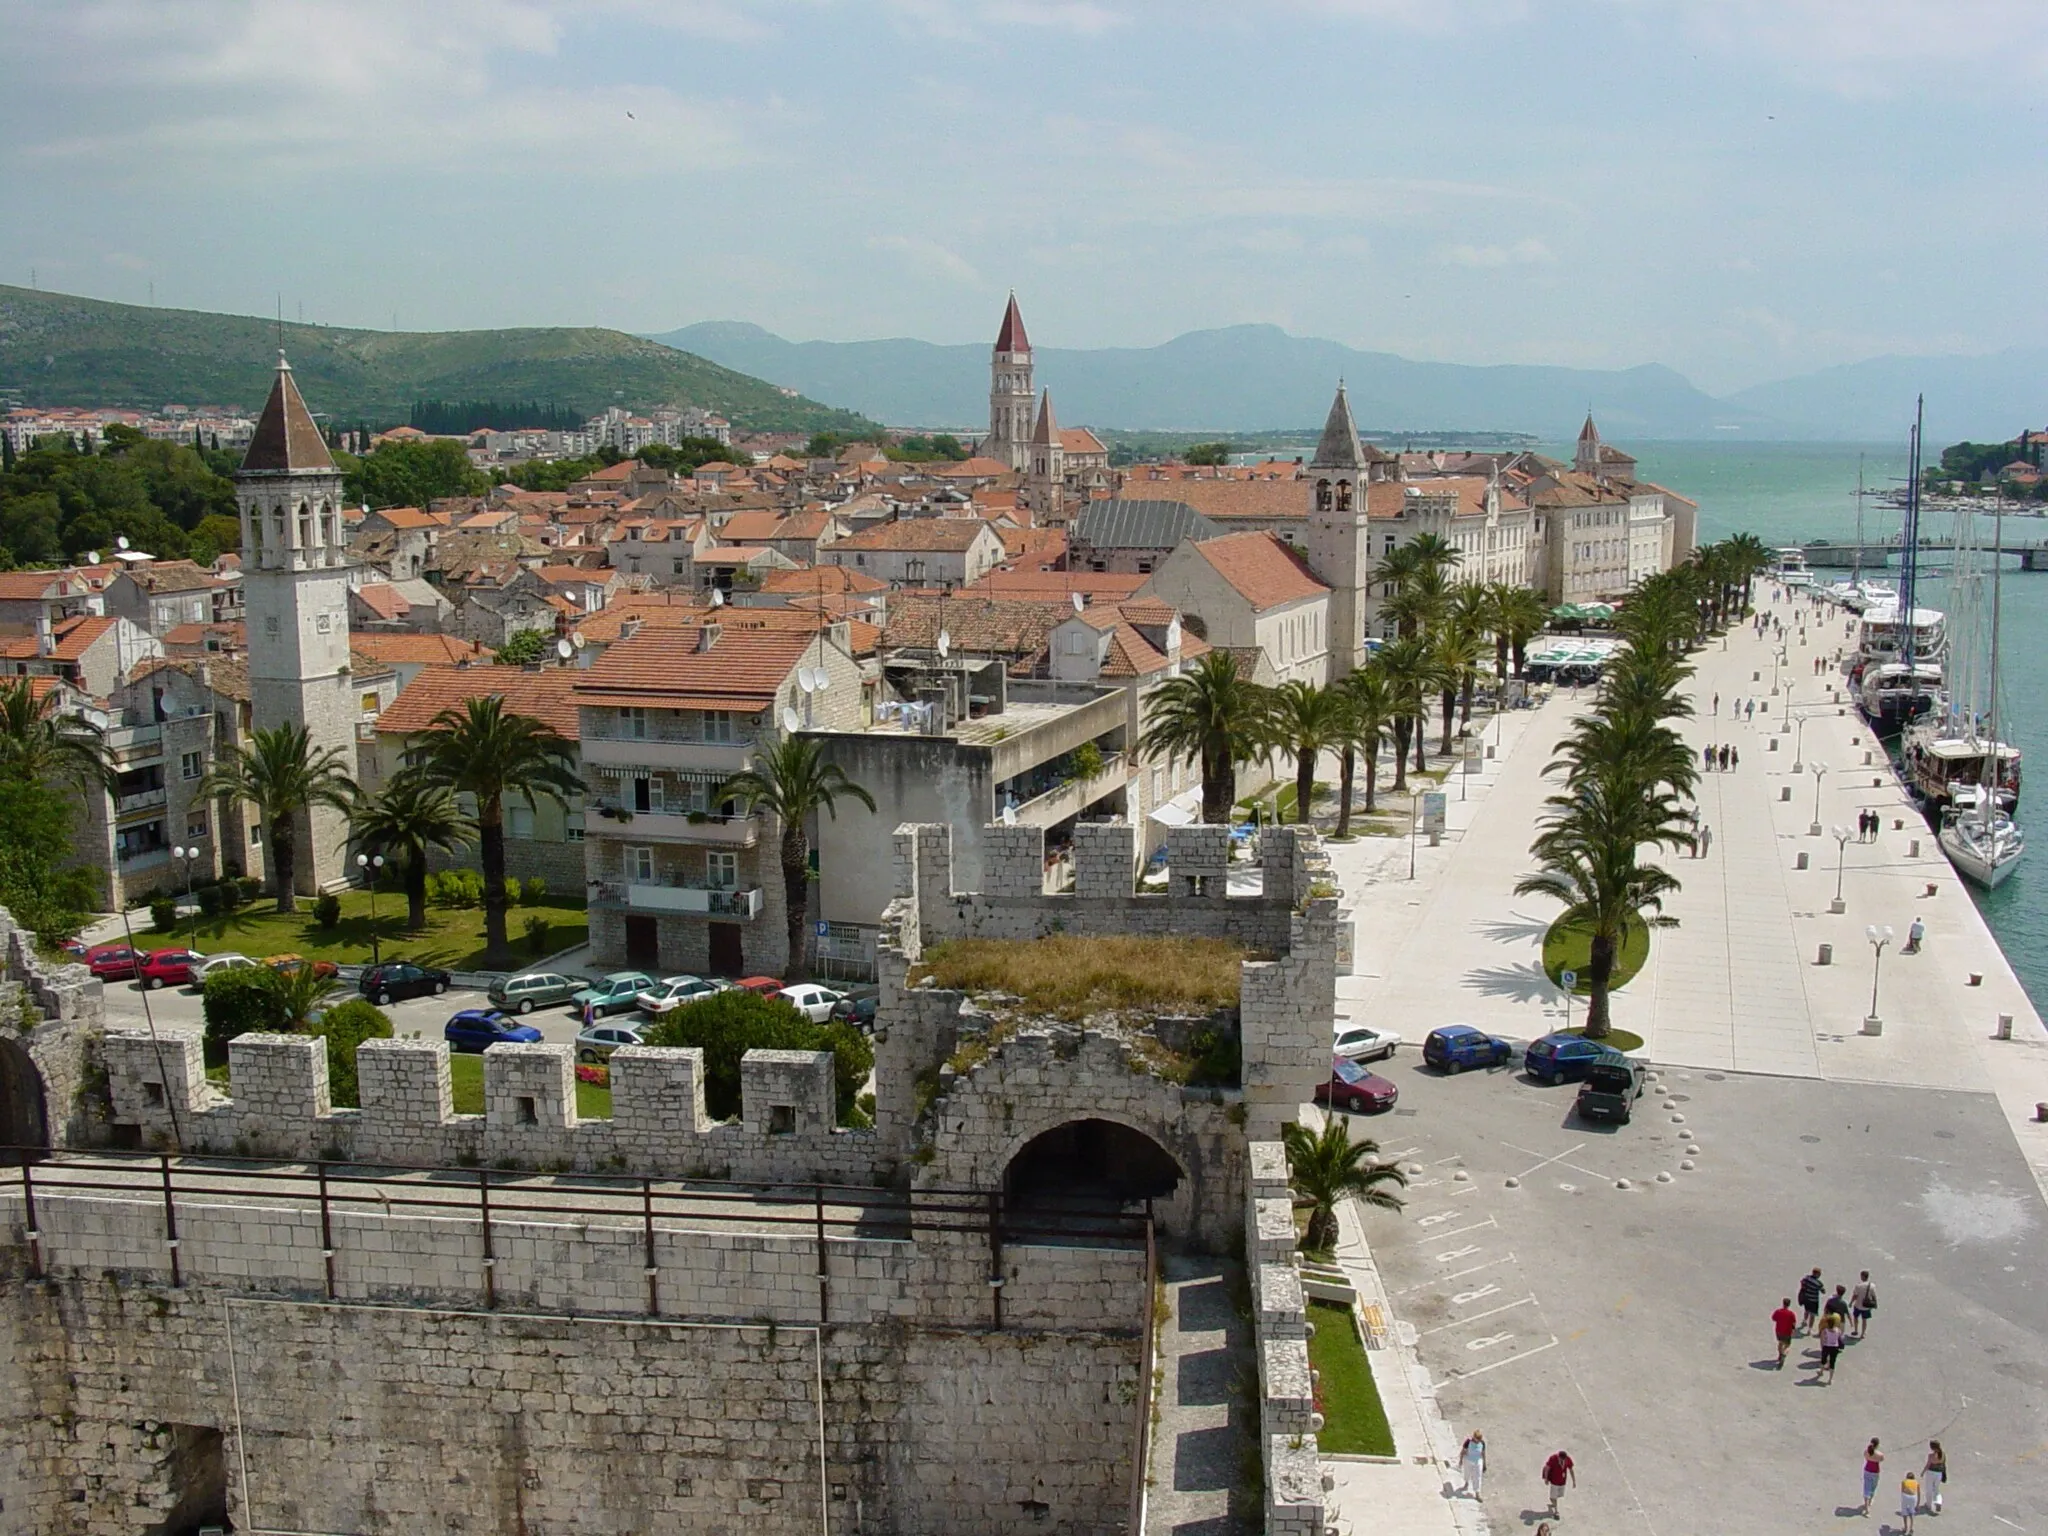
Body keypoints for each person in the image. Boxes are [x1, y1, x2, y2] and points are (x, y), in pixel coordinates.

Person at [1541, 1449, 1575, 1517]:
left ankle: (1553, 1504)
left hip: (1562, 1481)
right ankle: (1556, 1511)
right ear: (1558, 1457)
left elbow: (1571, 1469)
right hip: (1554, 1482)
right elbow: (1547, 1468)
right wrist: (1546, 1478)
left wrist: (1574, 1481)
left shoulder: (1567, 1459)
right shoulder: (1553, 1458)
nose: (1562, 1461)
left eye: (1563, 1459)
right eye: (1561, 1459)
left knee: (1559, 1495)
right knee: (1554, 1497)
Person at [1458, 1431, 1486, 1498]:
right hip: (1468, 1460)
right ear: (1474, 1437)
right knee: (1467, 1473)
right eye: (1477, 1439)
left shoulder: (1482, 1443)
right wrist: (1461, 1460)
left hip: (1478, 1461)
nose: (1478, 1441)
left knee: (1478, 1477)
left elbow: (1483, 1453)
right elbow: (1463, 1451)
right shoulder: (1468, 1442)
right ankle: (1466, 1483)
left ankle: (1477, 1493)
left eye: (1479, 1439)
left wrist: (1484, 1464)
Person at [1860, 1440, 1884, 1515]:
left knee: (1866, 1488)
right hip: (1875, 1472)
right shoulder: (1879, 1454)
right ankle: (1869, 1503)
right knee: (1873, 1487)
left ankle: (1866, 1505)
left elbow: (1866, 1456)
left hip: (1867, 1470)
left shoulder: (1866, 1452)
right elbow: (1881, 1459)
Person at [1849, 1271, 1877, 1339]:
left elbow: (1855, 1296)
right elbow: (1874, 1296)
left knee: (1856, 1317)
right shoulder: (1872, 1286)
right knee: (1864, 1320)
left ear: (1863, 1276)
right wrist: (1875, 1304)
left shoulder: (1858, 1286)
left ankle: (1856, 1330)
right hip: (1866, 1306)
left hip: (1858, 1305)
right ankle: (1863, 1334)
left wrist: (1851, 1302)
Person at [1772, 1297, 1798, 1366]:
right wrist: (1793, 1330)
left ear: (1783, 1303)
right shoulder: (1791, 1314)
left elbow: (1774, 1318)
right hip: (1787, 1332)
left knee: (1780, 1343)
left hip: (1779, 1331)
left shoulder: (1778, 1311)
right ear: (1789, 1304)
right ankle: (1784, 1354)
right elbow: (1794, 1323)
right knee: (1787, 1345)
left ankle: (1780, 1354)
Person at [1921, 1441, 1945, 1514]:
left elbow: (1928, 1465)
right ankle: (1938, 1501)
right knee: (1936, 1489)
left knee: (1929, 1489)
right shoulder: (1943, 1454)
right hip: (1939, 1473)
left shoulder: (1931, 1456)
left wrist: (1923, 1472)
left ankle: (1929, 1505)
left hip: (1931, 1473)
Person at [1798, 1267, 1824, 1333]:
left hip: (1806, 1298)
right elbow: (1823, 1291)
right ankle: (1809, 1329)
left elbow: (1802, 1282)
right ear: (1817, 1274)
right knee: (1812, 1315)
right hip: (1814, 1300)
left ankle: (1804, 1320)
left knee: (1806, 1310)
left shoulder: (1806, 1278)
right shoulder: (1818, 1283)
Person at [1819, 1316, 1844, 1382]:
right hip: (1835, 1347)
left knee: (1823, 1360)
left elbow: (1822, 1339)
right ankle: (1830, 1379)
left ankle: (1821, 1372)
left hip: (1827, 1346)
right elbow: (1840, 1336)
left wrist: (1822, 1346)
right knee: (1832, 1363)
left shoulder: (1825, 1330)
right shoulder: (1838, 1330)